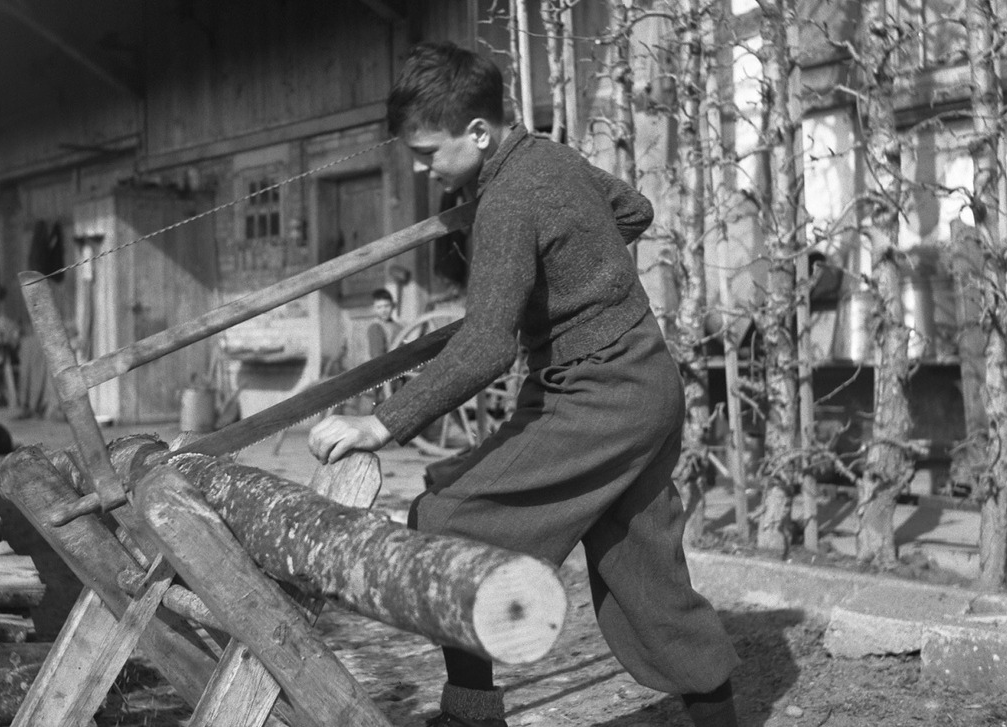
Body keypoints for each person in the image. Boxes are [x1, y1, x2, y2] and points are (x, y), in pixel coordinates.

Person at [308, 42, 740, 727]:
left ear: (478, 133)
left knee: (445, 520)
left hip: (597, 395)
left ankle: (470, 713)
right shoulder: (551, 158)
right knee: (642, 572)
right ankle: (721, 715)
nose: (422, 168)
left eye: (427, 152)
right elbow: (633, 210)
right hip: (644, 381)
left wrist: (379, 423)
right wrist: (572, 265)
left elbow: (483, 347)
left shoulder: (506, 200)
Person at [362, 287, 404, 413]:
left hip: (399, 373)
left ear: (393, 306)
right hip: (382, 374)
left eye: (386, 306)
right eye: (379, 307)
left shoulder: (398, 327)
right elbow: (378, 356)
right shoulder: (376, 327)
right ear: (374, 308)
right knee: (381, 407)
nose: (384, 310)